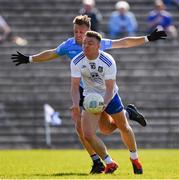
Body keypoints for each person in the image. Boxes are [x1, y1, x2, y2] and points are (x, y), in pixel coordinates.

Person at [11, 15, 166, 174]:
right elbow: (51, 53)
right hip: (86, 91)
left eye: (81, 32)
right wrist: (30, 59)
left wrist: (147, 38)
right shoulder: (69, 46)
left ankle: (126, 116)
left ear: (89, 32)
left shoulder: (99, 44)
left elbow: (124, 42)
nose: (78, 35)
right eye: (76, 31)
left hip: (106, 91)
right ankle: (98, 161)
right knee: (81, 128)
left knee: (107, 129)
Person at [71, 30, 143, 174]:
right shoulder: (77, 61)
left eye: (90, 43)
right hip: (90, 97)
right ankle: (109, 163)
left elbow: (110, 88)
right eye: (84, 43)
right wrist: (75, 104)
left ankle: (134, 159)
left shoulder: (108, 60)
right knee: (90, 133)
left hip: (110, 96)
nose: (85, 46)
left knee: (123, 127)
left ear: (99, 46)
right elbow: (74, 86)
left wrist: (103, 105)